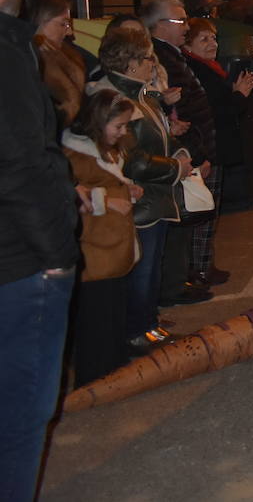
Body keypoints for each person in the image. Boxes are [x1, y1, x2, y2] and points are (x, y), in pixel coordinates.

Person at [0, 0, 81, 500]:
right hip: (18, 263)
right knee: (19, 418)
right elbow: (20, 163)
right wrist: (57, 255)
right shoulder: (7, 53)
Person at [89, 26, 194, 353]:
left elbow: (159, 137)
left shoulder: (140, 95)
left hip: (153, 196)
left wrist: (178, 150)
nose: (153, 63)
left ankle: (147, 323)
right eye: (148, 58)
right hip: (140, 199)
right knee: (142, 269)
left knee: (150, 266)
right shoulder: (118, 99)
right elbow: (133, 160)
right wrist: (177, 167)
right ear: (130, 64)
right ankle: (138, 330)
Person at [62, 88, 142, 385]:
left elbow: (109, 181)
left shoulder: (101, 151)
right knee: (95, 323)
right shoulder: (75, 155)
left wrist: (127, 189)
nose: (123, 132)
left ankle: (113, 369)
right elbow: (72, 196)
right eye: (118, 126)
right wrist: (106, 200)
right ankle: (94, 380)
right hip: (96, 253)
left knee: (111, 317)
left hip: (112, 252)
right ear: (98, 121)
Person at [141, 0, 215, 306]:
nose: (186, 26)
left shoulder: (173, 55)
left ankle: (176, 280)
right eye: (180, 21)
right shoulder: (160, 57)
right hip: (177, 153)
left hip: (189, 147)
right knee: (175, 225)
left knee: (183, 223)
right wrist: (192, 152)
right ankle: (170, 287)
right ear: (159, 25)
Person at [183, 17, 253, 277]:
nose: (212, 43)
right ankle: (200, 268)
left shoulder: (209, 67)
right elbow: (218, 111)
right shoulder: (197, 70)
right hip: (207, 149)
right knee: (204, 211)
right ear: (188, 44)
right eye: (203, 39)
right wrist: (239, 95)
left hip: (215, 147)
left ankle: (204, 264)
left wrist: (239, 92)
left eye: (214, 38)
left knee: (209, 211)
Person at [25, 0, 86, 127]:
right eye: (63, 23)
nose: (69, 31)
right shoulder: (28, 63)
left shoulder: (67, 57)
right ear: (40, 21)